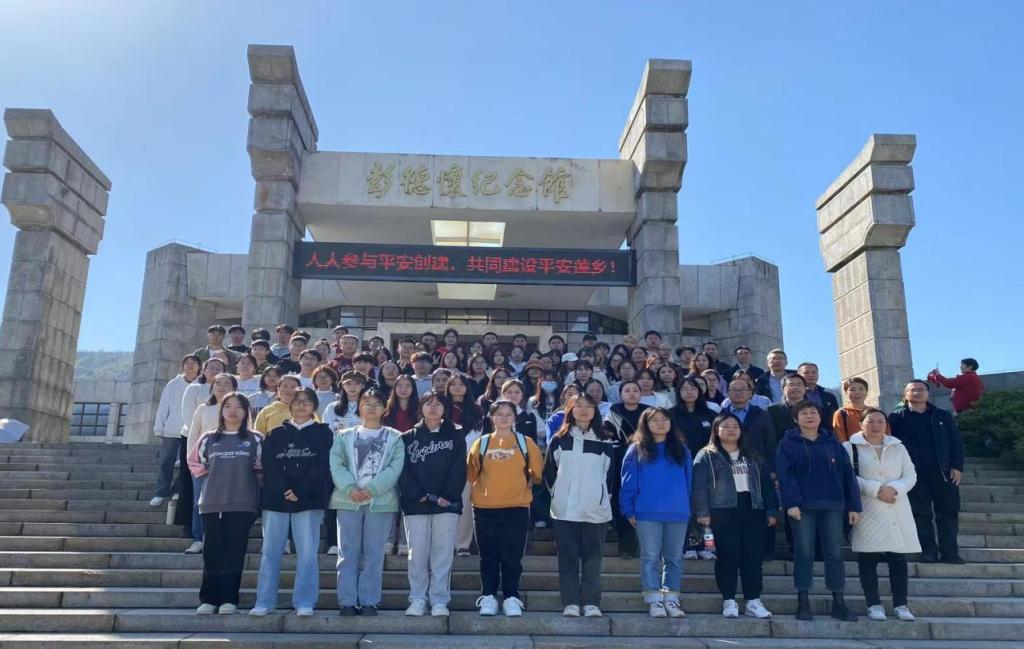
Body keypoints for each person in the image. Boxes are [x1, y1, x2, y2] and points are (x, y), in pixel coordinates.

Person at [251, 388, 333, 617]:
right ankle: (264, 601)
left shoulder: (323, 433)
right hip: (275, 499)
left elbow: (322, 465)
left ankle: (305, 601)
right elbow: (269, 465)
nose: (301, 406)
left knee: (307, 552)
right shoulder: (275, 433)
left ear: (314, 406)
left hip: (309, 499)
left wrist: (300, 490)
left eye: (306, 402)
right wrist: (284, 489)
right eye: (297, 401)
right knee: (270, 552)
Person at [777, 400, 862, 621]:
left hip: (833, 505)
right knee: (804, 552)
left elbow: (847, 474)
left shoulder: (833, 443)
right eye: (804, 413)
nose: (809, 416)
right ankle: (803, 601)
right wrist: (791, 503)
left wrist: (853, 505)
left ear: (820, 416)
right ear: (795, 419)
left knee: (834, 552)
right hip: (802, 506)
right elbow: (785, 475)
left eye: (813, 412)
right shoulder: (787, 444)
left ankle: (838, 601)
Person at [692, 413, 777, 619]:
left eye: (735, 426)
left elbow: (765, 484)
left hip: (752, 507)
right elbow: (699, 486)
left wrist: (771, 510)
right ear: (716, 430)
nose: (731, 430)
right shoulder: (706, 455)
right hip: (722, 510)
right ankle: (729, 600)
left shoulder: (752, 454)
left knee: (753, 557)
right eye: (726, 426)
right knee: (727, 556)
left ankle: (753, 600)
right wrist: (702, 512)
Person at [329, 389, 405, 616]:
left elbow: (395, 468)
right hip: (347, 500)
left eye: (376, 404)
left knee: (374, 553)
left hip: (380, 501)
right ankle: (347, 601)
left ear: (384, 408)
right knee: (347, 552)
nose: (371, 407)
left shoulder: (395, 437)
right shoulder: (344, 435)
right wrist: (350, 488)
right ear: (359, 407)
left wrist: (372, 489)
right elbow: (336, 464)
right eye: (367, 403)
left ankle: (369, 600)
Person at [467, 400, 544, 617]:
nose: (503, 418)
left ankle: (511, 596)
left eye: (508, 414)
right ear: (491, 418)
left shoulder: (525, 442)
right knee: (488, 555)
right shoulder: (481, 443)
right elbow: (471, 473)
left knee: (513, 555)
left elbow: (537, 473)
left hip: (516, 506)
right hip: (484, 507)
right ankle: (488, 596)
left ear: (514, 418)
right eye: (499, 414)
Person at [187, 392, 262, 615]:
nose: (233, 411)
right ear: (221, 410)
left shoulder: (255, 439)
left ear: (246, 412)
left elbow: (262, 467)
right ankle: (209, 599)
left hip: (243, 503)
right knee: (212, 552)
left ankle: (229, 599)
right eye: (228, 406)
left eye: (239, 407)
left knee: (234, 552)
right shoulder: (209, 438)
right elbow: (195, 463)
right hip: (212, 503)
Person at [843, 408, 919, 622]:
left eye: (880, 421)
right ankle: (873, 604)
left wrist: (894, 488)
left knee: (898, 559)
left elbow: (910, 475)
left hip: (895, 505)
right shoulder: (849, 447)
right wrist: (875, 489)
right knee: (868, 558)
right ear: (861, 424)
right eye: (870, 421)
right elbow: (847, 476)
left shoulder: (898, 447)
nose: (876, 425)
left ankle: (901, 604)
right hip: (867, 506)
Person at [544, 394, 615, 618]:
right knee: (568, 559)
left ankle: (591, 602)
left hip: (595, 510)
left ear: (595, 411)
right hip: (564, 510)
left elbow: (610, 477)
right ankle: (571, 602)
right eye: (578, 406)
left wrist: (602, 498)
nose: (584, 410)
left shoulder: (604, 441)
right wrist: (557, 494)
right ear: (570, 410)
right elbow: (549, 473)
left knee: (593, 559)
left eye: (589, 406)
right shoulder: (559, 439)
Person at [620, 407, 692, 619]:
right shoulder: (636, 449)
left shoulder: (681, 450)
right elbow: (628, 482)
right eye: (655, 420)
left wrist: (688, 507)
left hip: (677, 511)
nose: (660, 423)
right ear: (646, 424)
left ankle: (671, 598)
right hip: (646, 511)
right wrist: (628, 508)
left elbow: (689, 482)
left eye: (664, 419)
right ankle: (653, 599)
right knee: (650, 557)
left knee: (674, 558)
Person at [399, 392, 467, 617]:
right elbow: (404, 470)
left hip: (447, 504)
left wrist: (447, 495)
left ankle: (439, 600)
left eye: (438, 404)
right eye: (428, 403)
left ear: (445, 409)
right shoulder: (408, 437)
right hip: (415, 504)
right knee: (417, 554)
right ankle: (418, 598)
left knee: (442, 554)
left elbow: (459, 469)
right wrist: (416, 493)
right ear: (421, 407)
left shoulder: (456, 436)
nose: (433, 408)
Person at [889, 380, 965, 564]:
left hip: (943, 473)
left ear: (928, 393)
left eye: (921, 389)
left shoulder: (942, 415)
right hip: (914, 475)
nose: (917, 393)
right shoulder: (896, 418)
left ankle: (950, 553)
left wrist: (957, 466)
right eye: (912, 390)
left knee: (948, 513)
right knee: (920, 514)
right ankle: (928, 551)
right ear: (905, 394)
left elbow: (955, 442)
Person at [185, 372, 238, 554]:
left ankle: (222, 538)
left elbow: (247, 433)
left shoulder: (240, 409)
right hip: (203, 463)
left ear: (234, 388)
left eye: (227, 383)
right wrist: (193, 462)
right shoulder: (203, 409)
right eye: (218, 383)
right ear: (212, 387)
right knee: (199, 503)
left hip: (231, 462)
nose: (222, 387)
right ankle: (198, 538)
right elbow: (193, 436)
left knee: (228, 502)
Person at [669, 376, 718, 560]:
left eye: (693, 388)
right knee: (686, 507)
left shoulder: (710, 414)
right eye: (685, 389)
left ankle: (707, 546)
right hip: (680, 466)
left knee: (705, 507)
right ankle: (688, 545)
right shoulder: (671, 414)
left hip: (706, 466)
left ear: (700, 391)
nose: (689, 392)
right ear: (678, 392)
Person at [603, 382, 649, 558]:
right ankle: (627, 548)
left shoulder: (648, 413)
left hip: (647, 461)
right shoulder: (613, 413)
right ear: (620, 394)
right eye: (627, 391)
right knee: (623, 503)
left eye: (635, 390)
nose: (631, 393)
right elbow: (609, 438)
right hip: (621, 463)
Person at [150, 354, 200, 507]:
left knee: (186, 463)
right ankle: (161, 492)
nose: (190, 365)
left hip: (191, 431)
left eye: (193, 363)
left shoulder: (202, 384)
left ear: (199, 366)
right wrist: (159, 427)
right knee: (166, 462)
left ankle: (178, 490)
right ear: (182, 366)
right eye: (187, 363)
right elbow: (164, 406)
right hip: (171, 429)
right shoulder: (173, 384)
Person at [721, 379, 776, 462]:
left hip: (757, 463)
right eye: (734, 390)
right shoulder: (721, 416)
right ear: (728, 393)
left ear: (750, 393)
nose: (738, 393)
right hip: (728, 462)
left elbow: (771, 443)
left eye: (742, 389)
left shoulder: (762, 415)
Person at [833, 377, 890, 442]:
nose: (857, 392)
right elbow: (840, 440)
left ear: (866, 392)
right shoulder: (841, 413)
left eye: (861, 389)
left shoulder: (877, 413)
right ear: (846, 393)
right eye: (852, 389)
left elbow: (887, 436)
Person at [797, 362, 839, 432]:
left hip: (828, 434)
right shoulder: (796, 395)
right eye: (806, 373)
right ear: (799, 376)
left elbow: (836, 418)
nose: (811, 375)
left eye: (814, 373)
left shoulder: (829, 396)